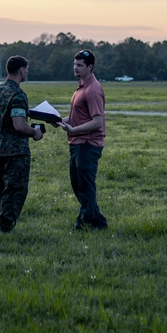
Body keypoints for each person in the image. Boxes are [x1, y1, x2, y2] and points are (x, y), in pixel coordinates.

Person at [0, 55, 44, 232]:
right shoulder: (17, 94)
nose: (27, 72)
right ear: (22, 70)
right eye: (27, 69)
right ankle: (6, 226)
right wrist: (34, 132)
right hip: (16, 151)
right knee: (14, 189)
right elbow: (19, 125)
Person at [58, 49, 108, 230]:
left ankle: (84, 224)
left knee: (85, 187)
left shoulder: (93, 90)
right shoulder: (81, 87)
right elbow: (78, 117)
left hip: (88, 144)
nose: (75, 68)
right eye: (74, 64)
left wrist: (73, 129)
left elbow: (97, 122)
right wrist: (59, 120)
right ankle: (99, 222)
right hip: (77, 143)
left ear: (90, 67)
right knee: (78, 185)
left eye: (80, 65)